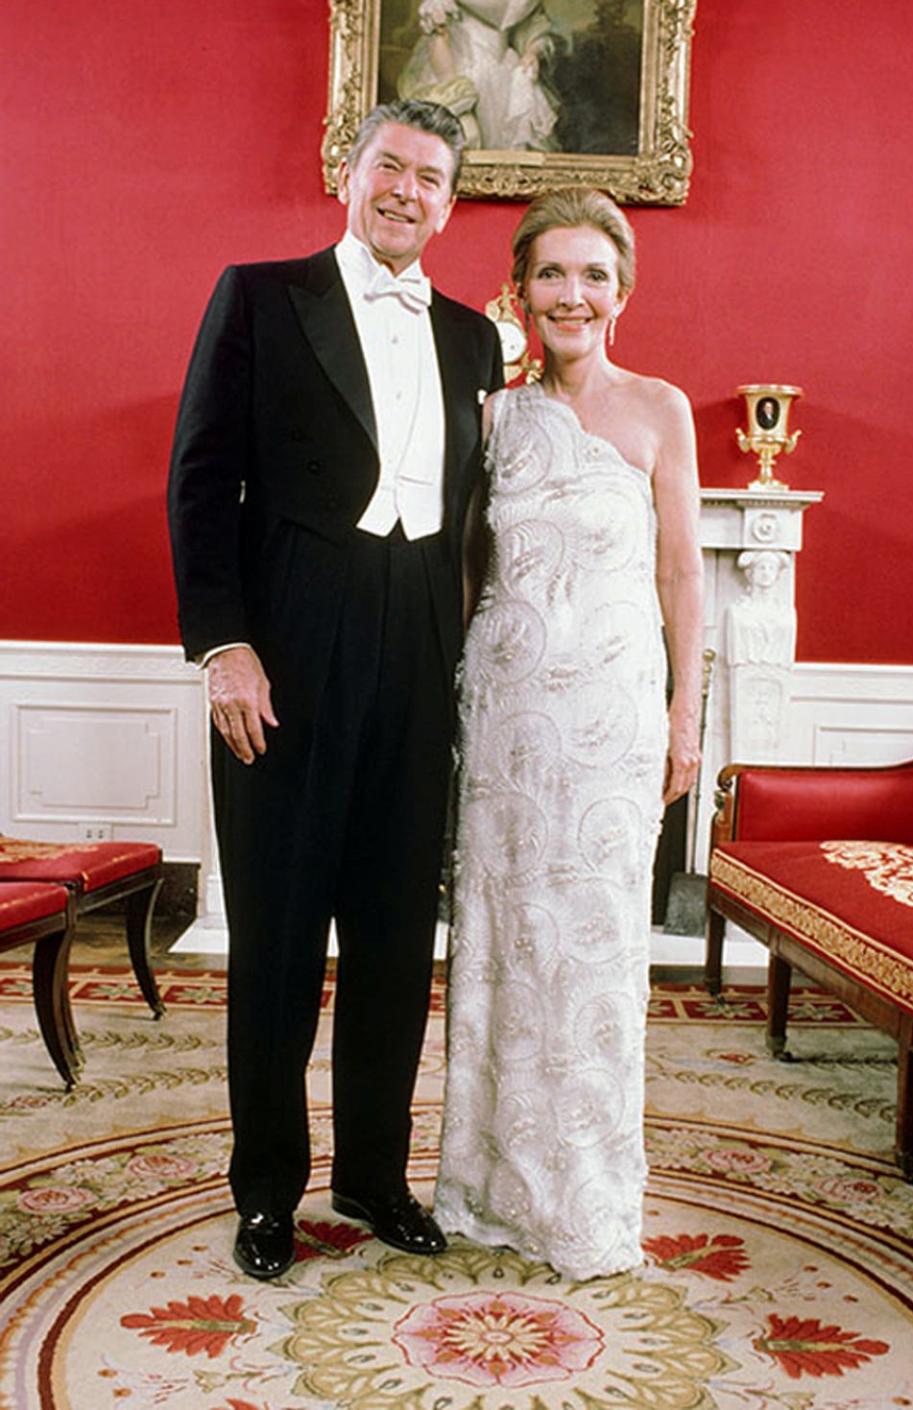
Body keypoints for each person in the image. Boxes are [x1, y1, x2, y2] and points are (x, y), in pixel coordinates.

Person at [167, 99, 503, 1280]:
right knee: (275, 931)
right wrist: (225, 644)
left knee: (396, 934)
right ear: (346, 175)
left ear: (452, 203)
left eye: (432, 178)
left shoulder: (474, 339)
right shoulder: (259, 296)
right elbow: (201, 479)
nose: (409, 191)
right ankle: (266, 1190)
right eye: (391, 167)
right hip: (290, 643)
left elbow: (474, 523)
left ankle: (373, 1173)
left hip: (419, 644)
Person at [434, 187, 703, 1280]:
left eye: (594, 274)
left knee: (592, 958)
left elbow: (683, 573)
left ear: (622, 290)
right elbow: (462, 573)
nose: (573, 295)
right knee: (501, 948)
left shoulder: (661, 410)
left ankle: (585, 1203)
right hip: (503, 725)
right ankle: (487, 1189)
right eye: (553, 274)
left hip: (611, 728)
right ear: (521, 288)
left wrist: (690, 714)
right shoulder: (493, 417)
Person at [397, 0, 558, 151]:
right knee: (464, 136)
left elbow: (533, 26)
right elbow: (438, 34)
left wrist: (532, 51)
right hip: (462, 65)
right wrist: (453, 87)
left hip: (507, 70)